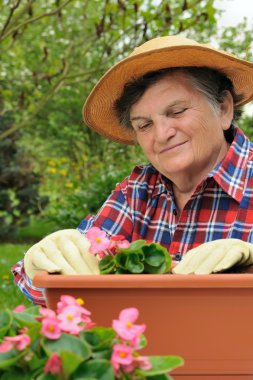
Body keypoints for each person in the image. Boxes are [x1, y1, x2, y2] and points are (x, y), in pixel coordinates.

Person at [12, 35, 253, 306]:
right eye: (144, 125)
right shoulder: (137, 192)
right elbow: (39, 285)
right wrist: (42, 265)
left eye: (176, 111)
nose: (162, 134)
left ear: (223, 109)